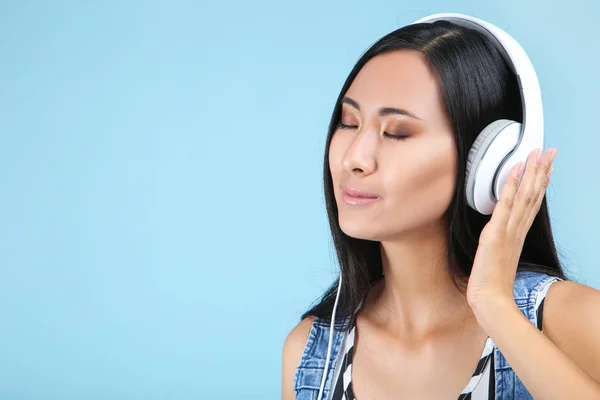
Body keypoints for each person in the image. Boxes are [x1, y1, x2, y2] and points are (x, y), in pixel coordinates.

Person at [281, 15, 600, 400]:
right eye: (349, 123)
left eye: (396, 133)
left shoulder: (574, 320)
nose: (354, 158)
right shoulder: (312, 355)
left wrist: (496, 309)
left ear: (486, 164)